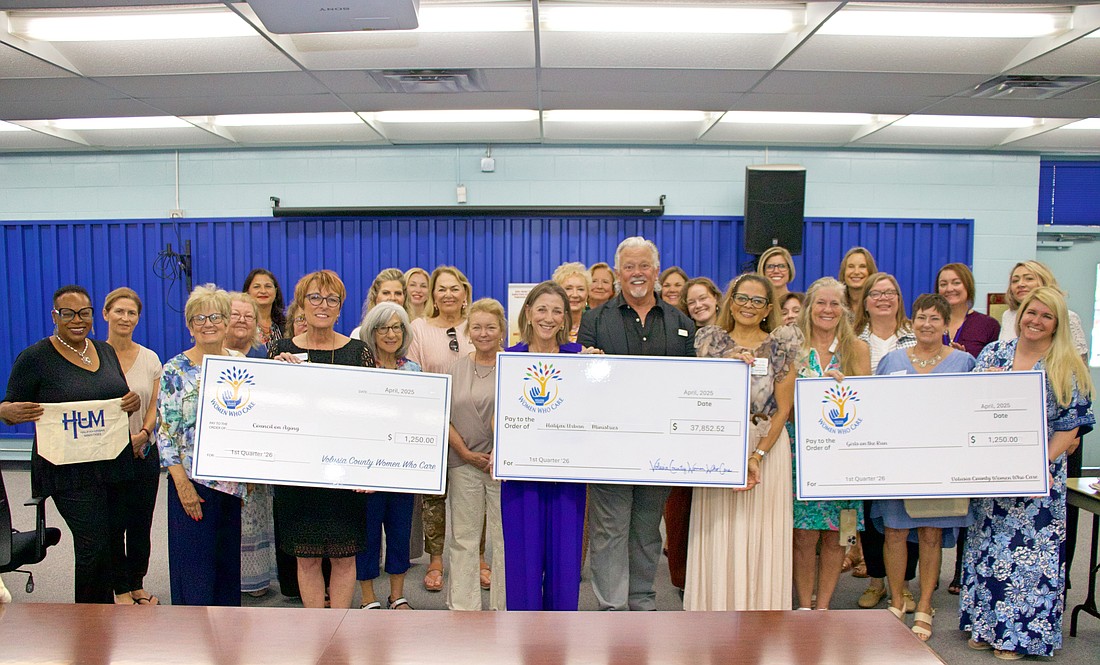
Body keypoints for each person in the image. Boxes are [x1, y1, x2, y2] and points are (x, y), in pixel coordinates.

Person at [961, 286, 1094, 660]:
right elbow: (969, 405)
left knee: (1028, 557)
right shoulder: (994, 353)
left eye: (1046, 316)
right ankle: (986, 626)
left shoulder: (1066, 365)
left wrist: (1037, 465)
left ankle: (1018, 637)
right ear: (1020, 316)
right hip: (992, 474)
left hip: (1039, 478)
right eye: (1031, 313)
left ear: (1057, 324)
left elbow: (1070, 427)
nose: (1036, 321)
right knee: (987, 548)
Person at [578, 236, 696, 611]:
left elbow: (693, 385)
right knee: (610, 530)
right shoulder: (595, 320)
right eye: (629, 266)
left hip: (659, 450)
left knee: (646, 530)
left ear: (656, 271)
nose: (637, 273)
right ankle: (612, 608)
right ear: (618, 273)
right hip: (608, 449)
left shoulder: (681, 323)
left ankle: (642, 601)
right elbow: (583, 383)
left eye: (644, 265)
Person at [1, 285, 140, 604]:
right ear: (55, 316)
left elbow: (118, 395)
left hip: (111, 464)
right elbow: (7, 407)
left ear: (93, 315)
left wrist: (130, 402)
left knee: (110, 541)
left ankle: (105, 615)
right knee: (92, 545)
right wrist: (7, 412)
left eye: (84, 313)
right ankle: (89, 620)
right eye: (68, 313)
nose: (77, 320)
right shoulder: (35, 358)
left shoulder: (105, 351)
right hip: (68, 472)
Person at [685, 274, 801, 610]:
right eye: (742, 298)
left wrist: (756, 456)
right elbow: (699, 395)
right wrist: (726, 366)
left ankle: (762, 615)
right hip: (718, 447)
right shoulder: (710, 342)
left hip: (766, 446)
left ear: (767, 309)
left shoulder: (781, 346)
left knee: (762, 531)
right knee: (718, 529)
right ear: (731, 301)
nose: (749, 306)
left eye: (757, 301)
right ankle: (713, 610)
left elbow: (783, 409)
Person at [872, 294, 976, 641]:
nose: (927, 324)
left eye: (935, 318)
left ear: (946, 324)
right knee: (895, 532)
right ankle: (896, 601)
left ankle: (925, 604)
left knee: (931, 533)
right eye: (921, 317)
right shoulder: (891, 360)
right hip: (897, 463)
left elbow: (974, 410)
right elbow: (875, 407)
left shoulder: (963, 362)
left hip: (940, 466)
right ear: (911, 322)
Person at [269, 270, 375, 609]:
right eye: (315, 297)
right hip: (298, 475)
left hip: (345, 474)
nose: (323, 305)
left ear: (340, 307)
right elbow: (269, 412)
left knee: (345, 557)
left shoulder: (358, 352)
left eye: (332, 299)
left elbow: (371, 416)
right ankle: (315, 626)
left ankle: (340, 624)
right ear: (302, 304)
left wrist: (370, 468)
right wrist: (275, 375)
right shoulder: (281, 351)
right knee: (307, 558)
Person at [157, 284, 245, 606]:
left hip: (231, 484)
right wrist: (183, 486)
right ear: (190, 325)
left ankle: (226, 634)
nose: (208, 324)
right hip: (192, 483)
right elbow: (165, 433)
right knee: (195, 572)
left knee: (226, 571)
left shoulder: (240, 363)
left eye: (215, 317)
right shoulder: (175, 369)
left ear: (226, 321)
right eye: (200, 318)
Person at [502, 281, 586, 610]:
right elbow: (500, 416)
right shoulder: (510, 359)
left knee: (565, 562)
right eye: (541, 309)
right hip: (522, 475)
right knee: (522, 561)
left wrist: (601, 370)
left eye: (556, 311)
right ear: (528, 313)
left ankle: (561, 633)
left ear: (565, 318)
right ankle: (524, 632)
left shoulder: (579, 357)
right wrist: (501, 447)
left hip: (567, 474)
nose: (548, 318)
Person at [792, 277, 871, 610]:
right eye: (821, 303)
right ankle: (804, 605)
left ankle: (823, 606)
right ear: (809, 307)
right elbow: (780, 401)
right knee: (803, 535)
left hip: (843, 458)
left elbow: (866, 402)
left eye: (834, 303)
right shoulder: (793, 346)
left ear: (845, 309)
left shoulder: (858, 349)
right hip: (801, 453)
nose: (827, 310)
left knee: (840, 534)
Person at [850, 272, 918, 608]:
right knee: (871, 513)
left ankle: (902, 585)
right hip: (866, 439)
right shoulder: (852, 340)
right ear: (865, 302)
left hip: (908, 438)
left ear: (899, 299)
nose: (883, 298)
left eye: (890, 292)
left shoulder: (915, 336)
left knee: (908, 514)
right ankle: (876, 581)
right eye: (876, 293)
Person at [406, 265, 475, 592]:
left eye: (454, 288)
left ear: (465, 294)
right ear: (433, 296)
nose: (448, 294)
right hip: (432, 424)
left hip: (474, 426)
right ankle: (436, 559)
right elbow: (413, 376)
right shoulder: (418, 328)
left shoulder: (476, 325)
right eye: (441, 289)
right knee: (434, 499)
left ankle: (478, 557)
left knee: (473, 496)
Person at [355, 302, 421, 610]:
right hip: (366, 469)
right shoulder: (360, 369)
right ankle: (368, 597)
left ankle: (397, 595)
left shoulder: (414, 371)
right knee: (367, 534)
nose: (391, 334)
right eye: (383, 328)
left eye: (397, 327)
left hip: (402, 469)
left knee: (399, 532)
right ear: (372, 331)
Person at [445, 298, 508, 611]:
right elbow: (444, 417)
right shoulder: (455, 369)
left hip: (502, 468)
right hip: (463, 463)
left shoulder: (513, 367)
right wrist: (466, 453)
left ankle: (504, 605)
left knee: (504, 539)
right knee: (463, 538)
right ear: (468, 331)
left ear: (502, 331)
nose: (484, 333)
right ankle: (463, 607)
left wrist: (501, 452)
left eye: (490, 327)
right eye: (477, 327)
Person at [103, 287, 162, 606]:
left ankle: (137, 584)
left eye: (131, 313)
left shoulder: (150, 358)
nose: (125, 318)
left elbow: (155, 404)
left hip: (142, 452)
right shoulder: (94, 357)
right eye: (119, 311)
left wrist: (144, 433)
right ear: (106, 314)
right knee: (113, 524)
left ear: (138, 318)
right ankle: (120, 589)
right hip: (105, 456)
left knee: (141, 524)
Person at [225, 292, 277, 598]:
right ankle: (229, 580)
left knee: (255, 516)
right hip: (224, 452)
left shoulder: (262, 356)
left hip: (257, 449)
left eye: (249, 316)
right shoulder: (212, 354)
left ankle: (256, 580)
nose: (242, 320)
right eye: (236, 314)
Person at [999, 260, 1088, 355]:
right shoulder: (1008, 315)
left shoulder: (1067, 316)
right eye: (1015, 281)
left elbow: (1080, 360)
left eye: (1029, 279)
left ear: (1044, 282)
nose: (1020, 284)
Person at [936, 263, 999, 358]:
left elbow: (994, 362)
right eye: (943, 284)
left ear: (968, 286)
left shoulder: (988, 325)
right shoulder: (930, 323)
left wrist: (966, 360)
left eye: (956, 283)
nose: (949, 289)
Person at [350, 268, 406, 339]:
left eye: (398, 293)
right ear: (375, 296)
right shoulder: (359, 334)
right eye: (386, 293)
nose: (392, 298)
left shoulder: (413, 331)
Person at [242, 268, 286, 347]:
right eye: (256, 287)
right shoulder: (241, 323)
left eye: (268, 286)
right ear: (247, 292)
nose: (263, 291)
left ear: (275, 291)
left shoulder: (287, 324)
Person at [552, 262, 591, 343]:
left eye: (580, 289)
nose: (575, 295)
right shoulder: (549, 324)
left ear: (587, 293)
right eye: (568, 289)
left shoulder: (596, 325)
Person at [838, 247, 877, 314]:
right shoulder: (836, 303)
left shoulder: (878, 304)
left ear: (870, 272)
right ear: (844, 272)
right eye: (851, 266)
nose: (856, 272)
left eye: (862, 266)